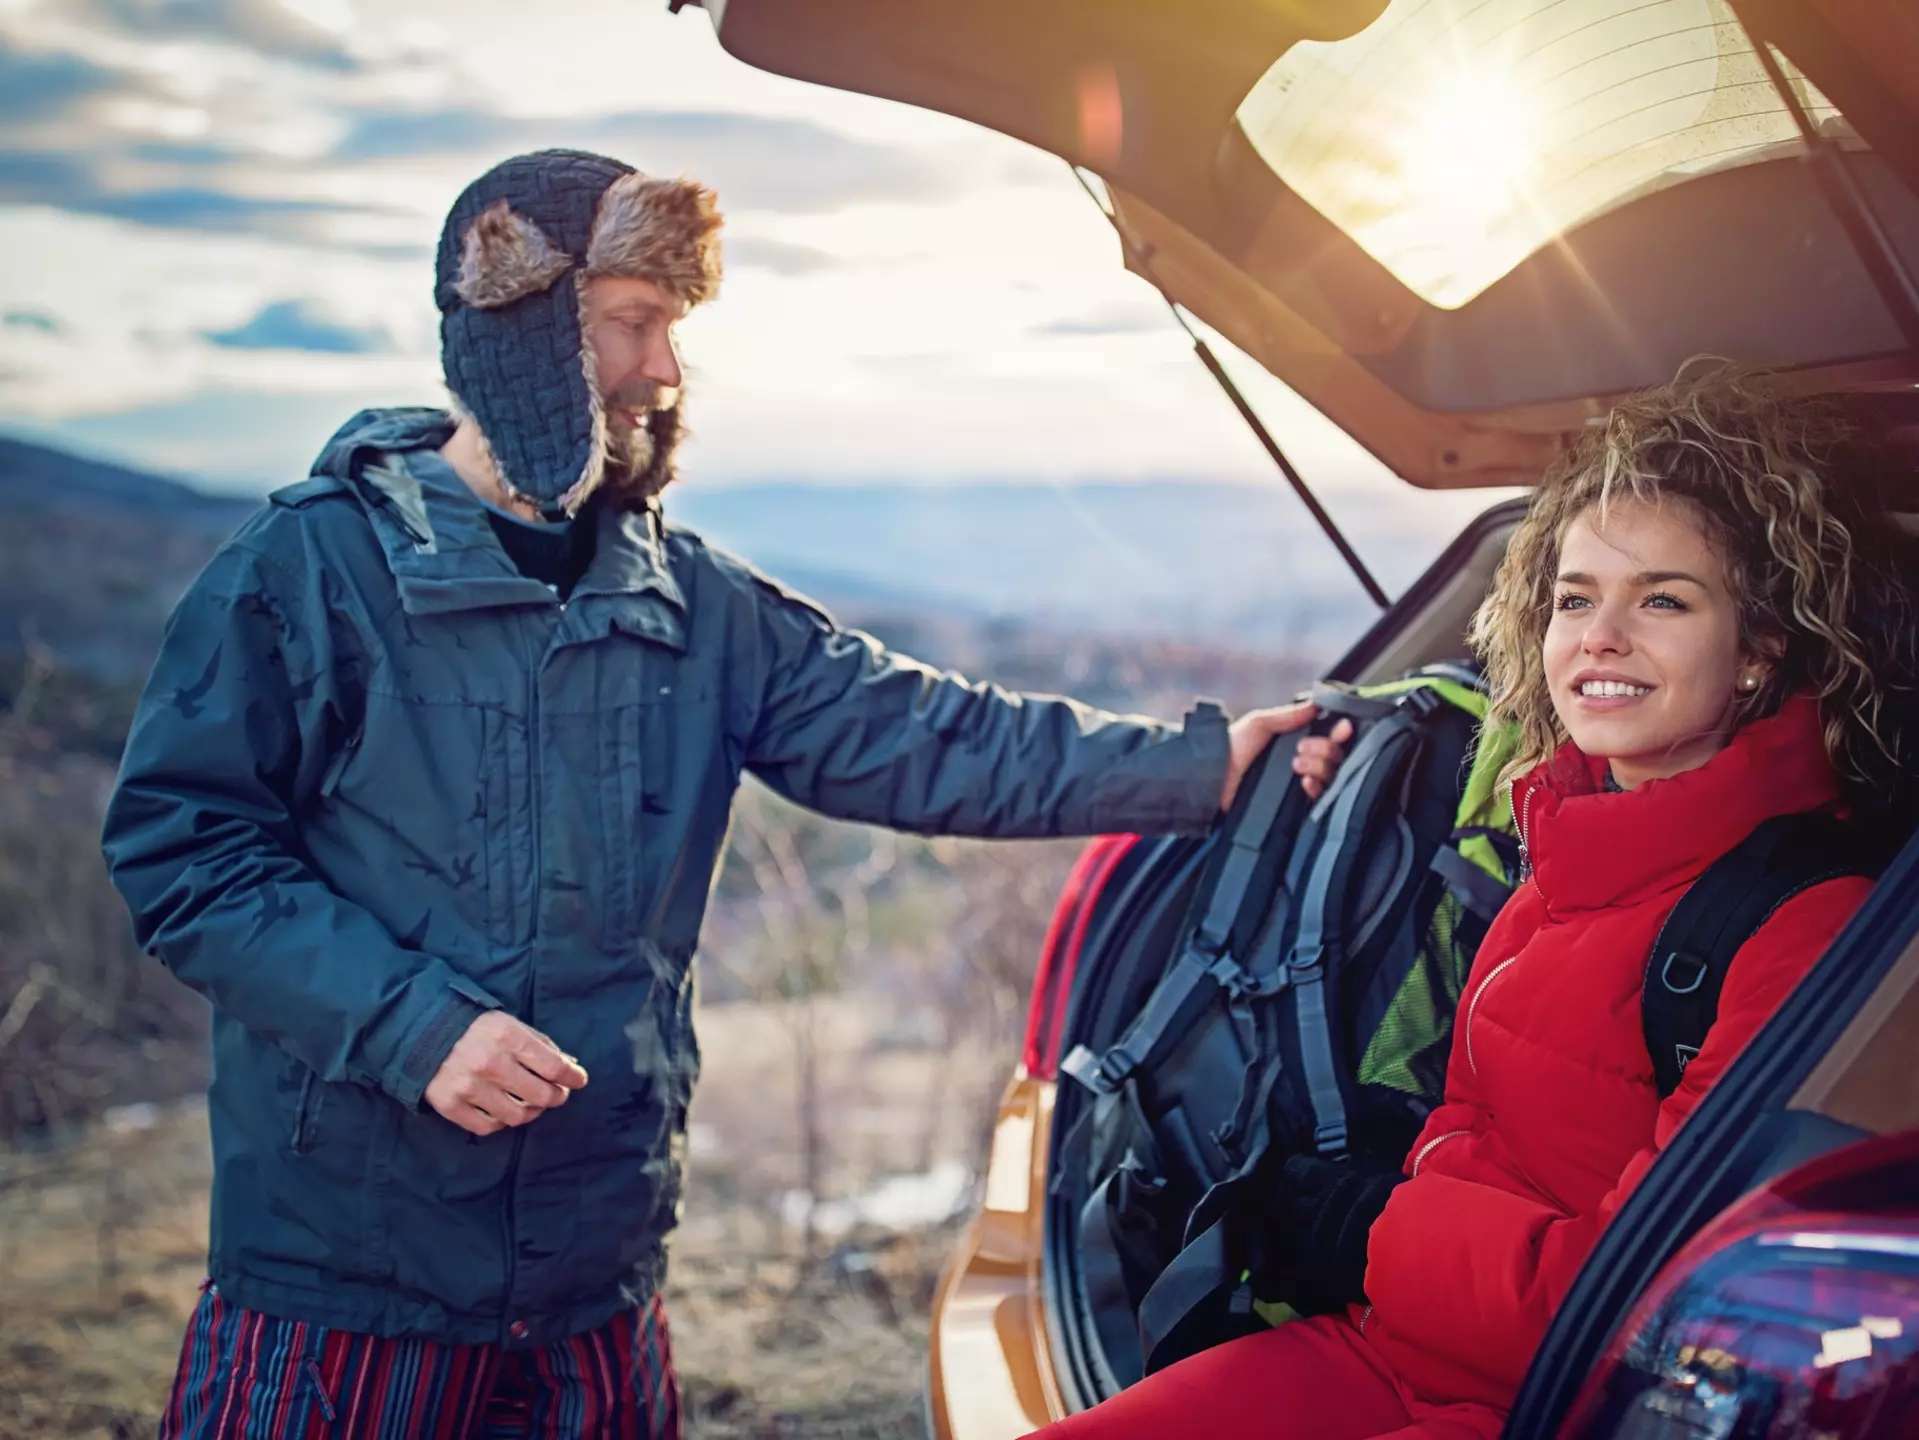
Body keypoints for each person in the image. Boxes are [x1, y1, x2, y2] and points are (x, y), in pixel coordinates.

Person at [100, 149, 1345, 1439]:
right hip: (342, 1279)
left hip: (597, 1272)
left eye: (672, 329)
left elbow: (941, 739)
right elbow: (184, 850)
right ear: (521, 329)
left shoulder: (697, 608)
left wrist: (1202, 767)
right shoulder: (310, 569)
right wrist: (412, 1028)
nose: (665, 371)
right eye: (633, 323)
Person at [1025, 363, 1915, 1440]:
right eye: (1574, 598)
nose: (1598, 636)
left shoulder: (1802, 926)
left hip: (1530, 1407)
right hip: (1382, 1343)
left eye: (1662, 601)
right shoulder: (1554, 853)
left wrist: (1372, 1235)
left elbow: (1630, 1317)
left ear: (1757, 652)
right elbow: (1464, 1133)